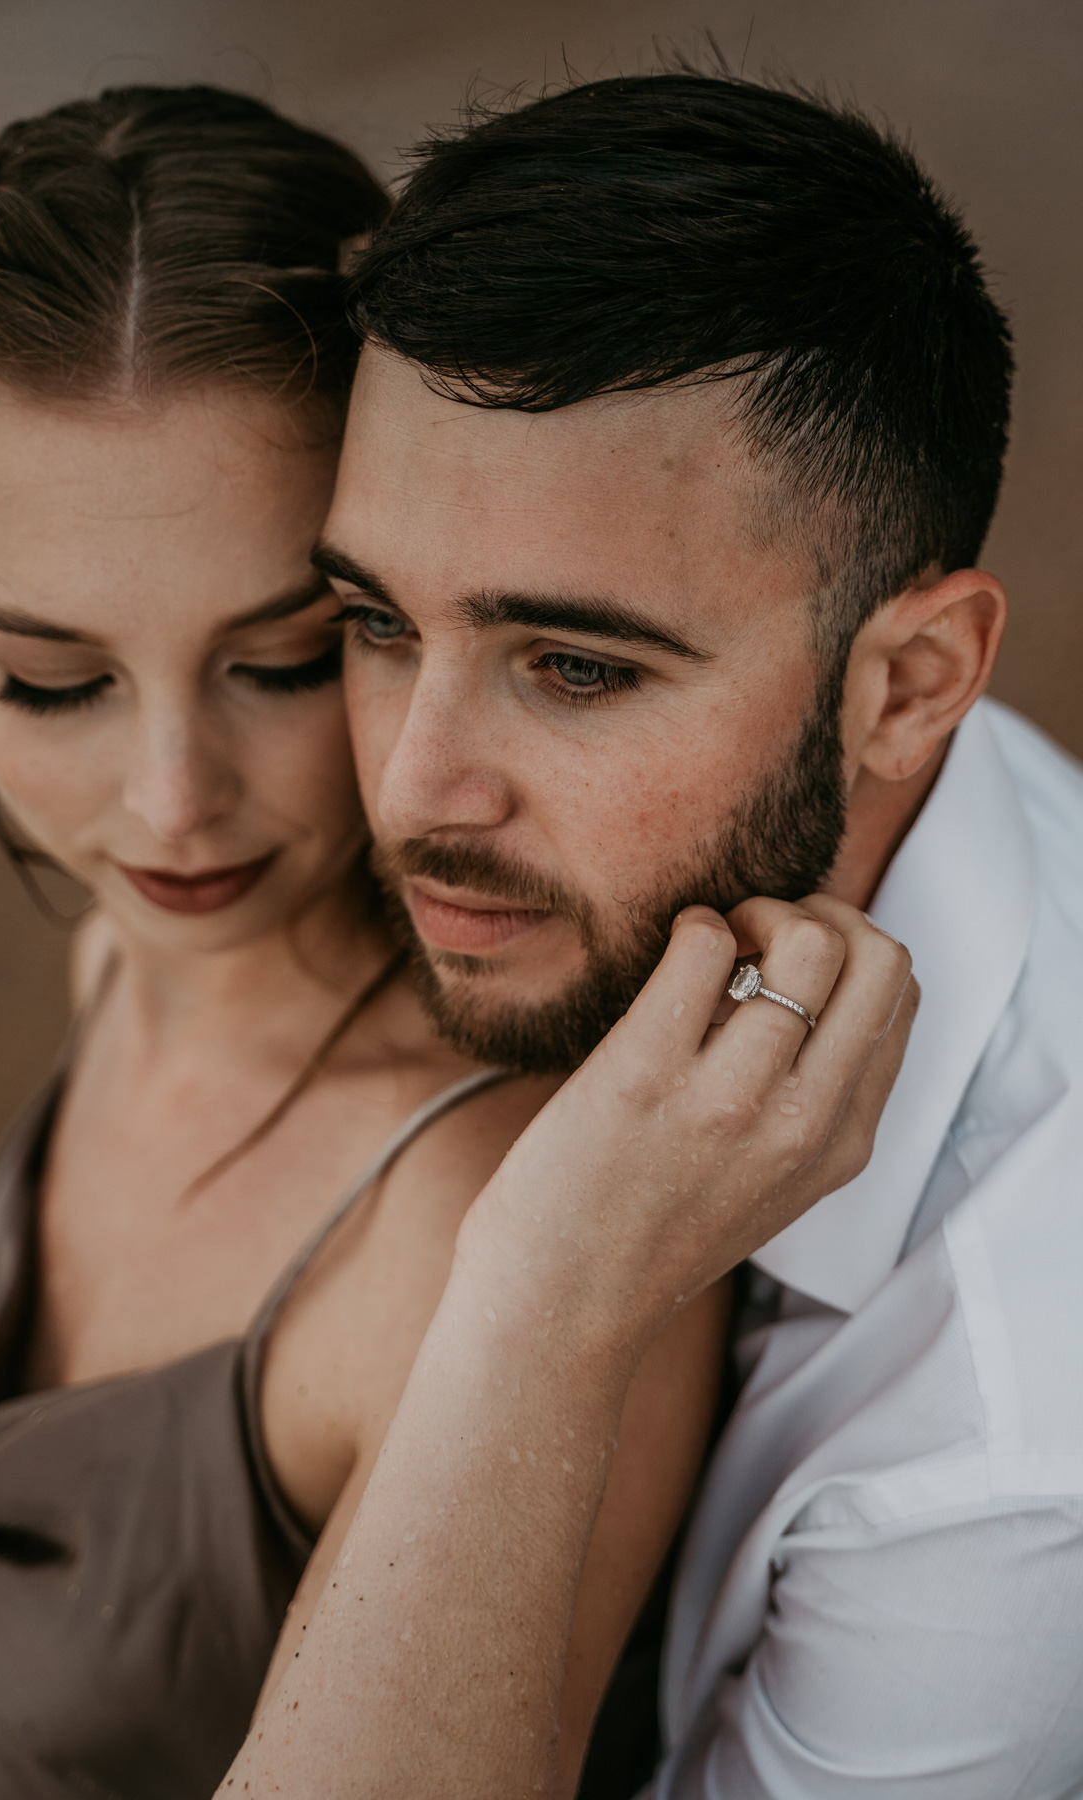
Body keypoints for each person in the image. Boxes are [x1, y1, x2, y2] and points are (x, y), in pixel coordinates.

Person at [0, 82, 753, 1799]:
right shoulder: (144, 956)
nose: (169, 809)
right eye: (50, 684)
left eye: (286, 657)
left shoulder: (496, 1220)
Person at [220, 71, 1083, 1800]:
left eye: (578, 667)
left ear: (909, 687)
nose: (407, 791)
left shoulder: (1007, 1466)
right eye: (378, 619)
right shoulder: (572, 865)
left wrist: (537, 1300)